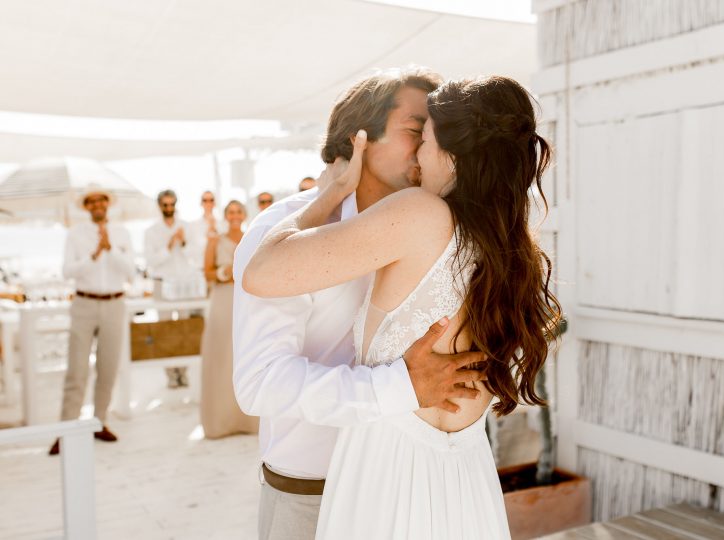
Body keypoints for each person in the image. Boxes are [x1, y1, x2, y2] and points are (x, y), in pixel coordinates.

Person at [243, 76, 562, 539]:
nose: (417, 157)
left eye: (425, 140)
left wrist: (327, 192)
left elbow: (261, 271)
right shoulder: (508, 248)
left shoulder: (420, 214)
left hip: (389, 473)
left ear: (452, 156)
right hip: (464, 477)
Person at [49, 184, 135, 455]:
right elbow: (67, 271)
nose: (97, 206)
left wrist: (111, 250)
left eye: (102, 201)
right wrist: (94, 255)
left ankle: (100, 422)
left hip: (114, 303)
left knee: (108, 368)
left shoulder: (122, 233)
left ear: (107, 204)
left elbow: (132, 271)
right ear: (86, 207)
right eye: (92, 202)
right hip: (84, 304)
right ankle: (65, 431)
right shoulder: (75, 235)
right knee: (76, 370)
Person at [199, 200, 258, 438]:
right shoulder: (215, 240)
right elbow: (207, 273)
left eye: (238, 211)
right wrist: (226, 272)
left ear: (244, 215)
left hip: (247, 300)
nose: (235, 215)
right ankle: (220, 421)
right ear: (225, 216)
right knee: (222, 355)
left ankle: (248, 419)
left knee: (245, 353)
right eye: (231, 212)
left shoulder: (253, 237)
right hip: (223, 300)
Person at [143, 189, 193, 388]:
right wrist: (170, 245)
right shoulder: (151, 231)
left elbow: (195, 257)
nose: (169, 208)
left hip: (182, 285)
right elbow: (151, 262)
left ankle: (183, 371)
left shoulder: (186, 227)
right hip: (161, 284)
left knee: (183, 329)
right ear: (159, 206)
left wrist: (184, 242)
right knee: (164, 329)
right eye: (165, 205)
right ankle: (170, 374)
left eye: (172, 204)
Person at [187, 190, 225, 271]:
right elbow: (192, 250)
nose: (208, 203)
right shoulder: (193, 226)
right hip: (200, 269)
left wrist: (214, 229)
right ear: (201, 203)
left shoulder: (223, 224)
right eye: (205, 200)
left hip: (218, 269)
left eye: (211, 200)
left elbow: (223, 247)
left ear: (215, 203)